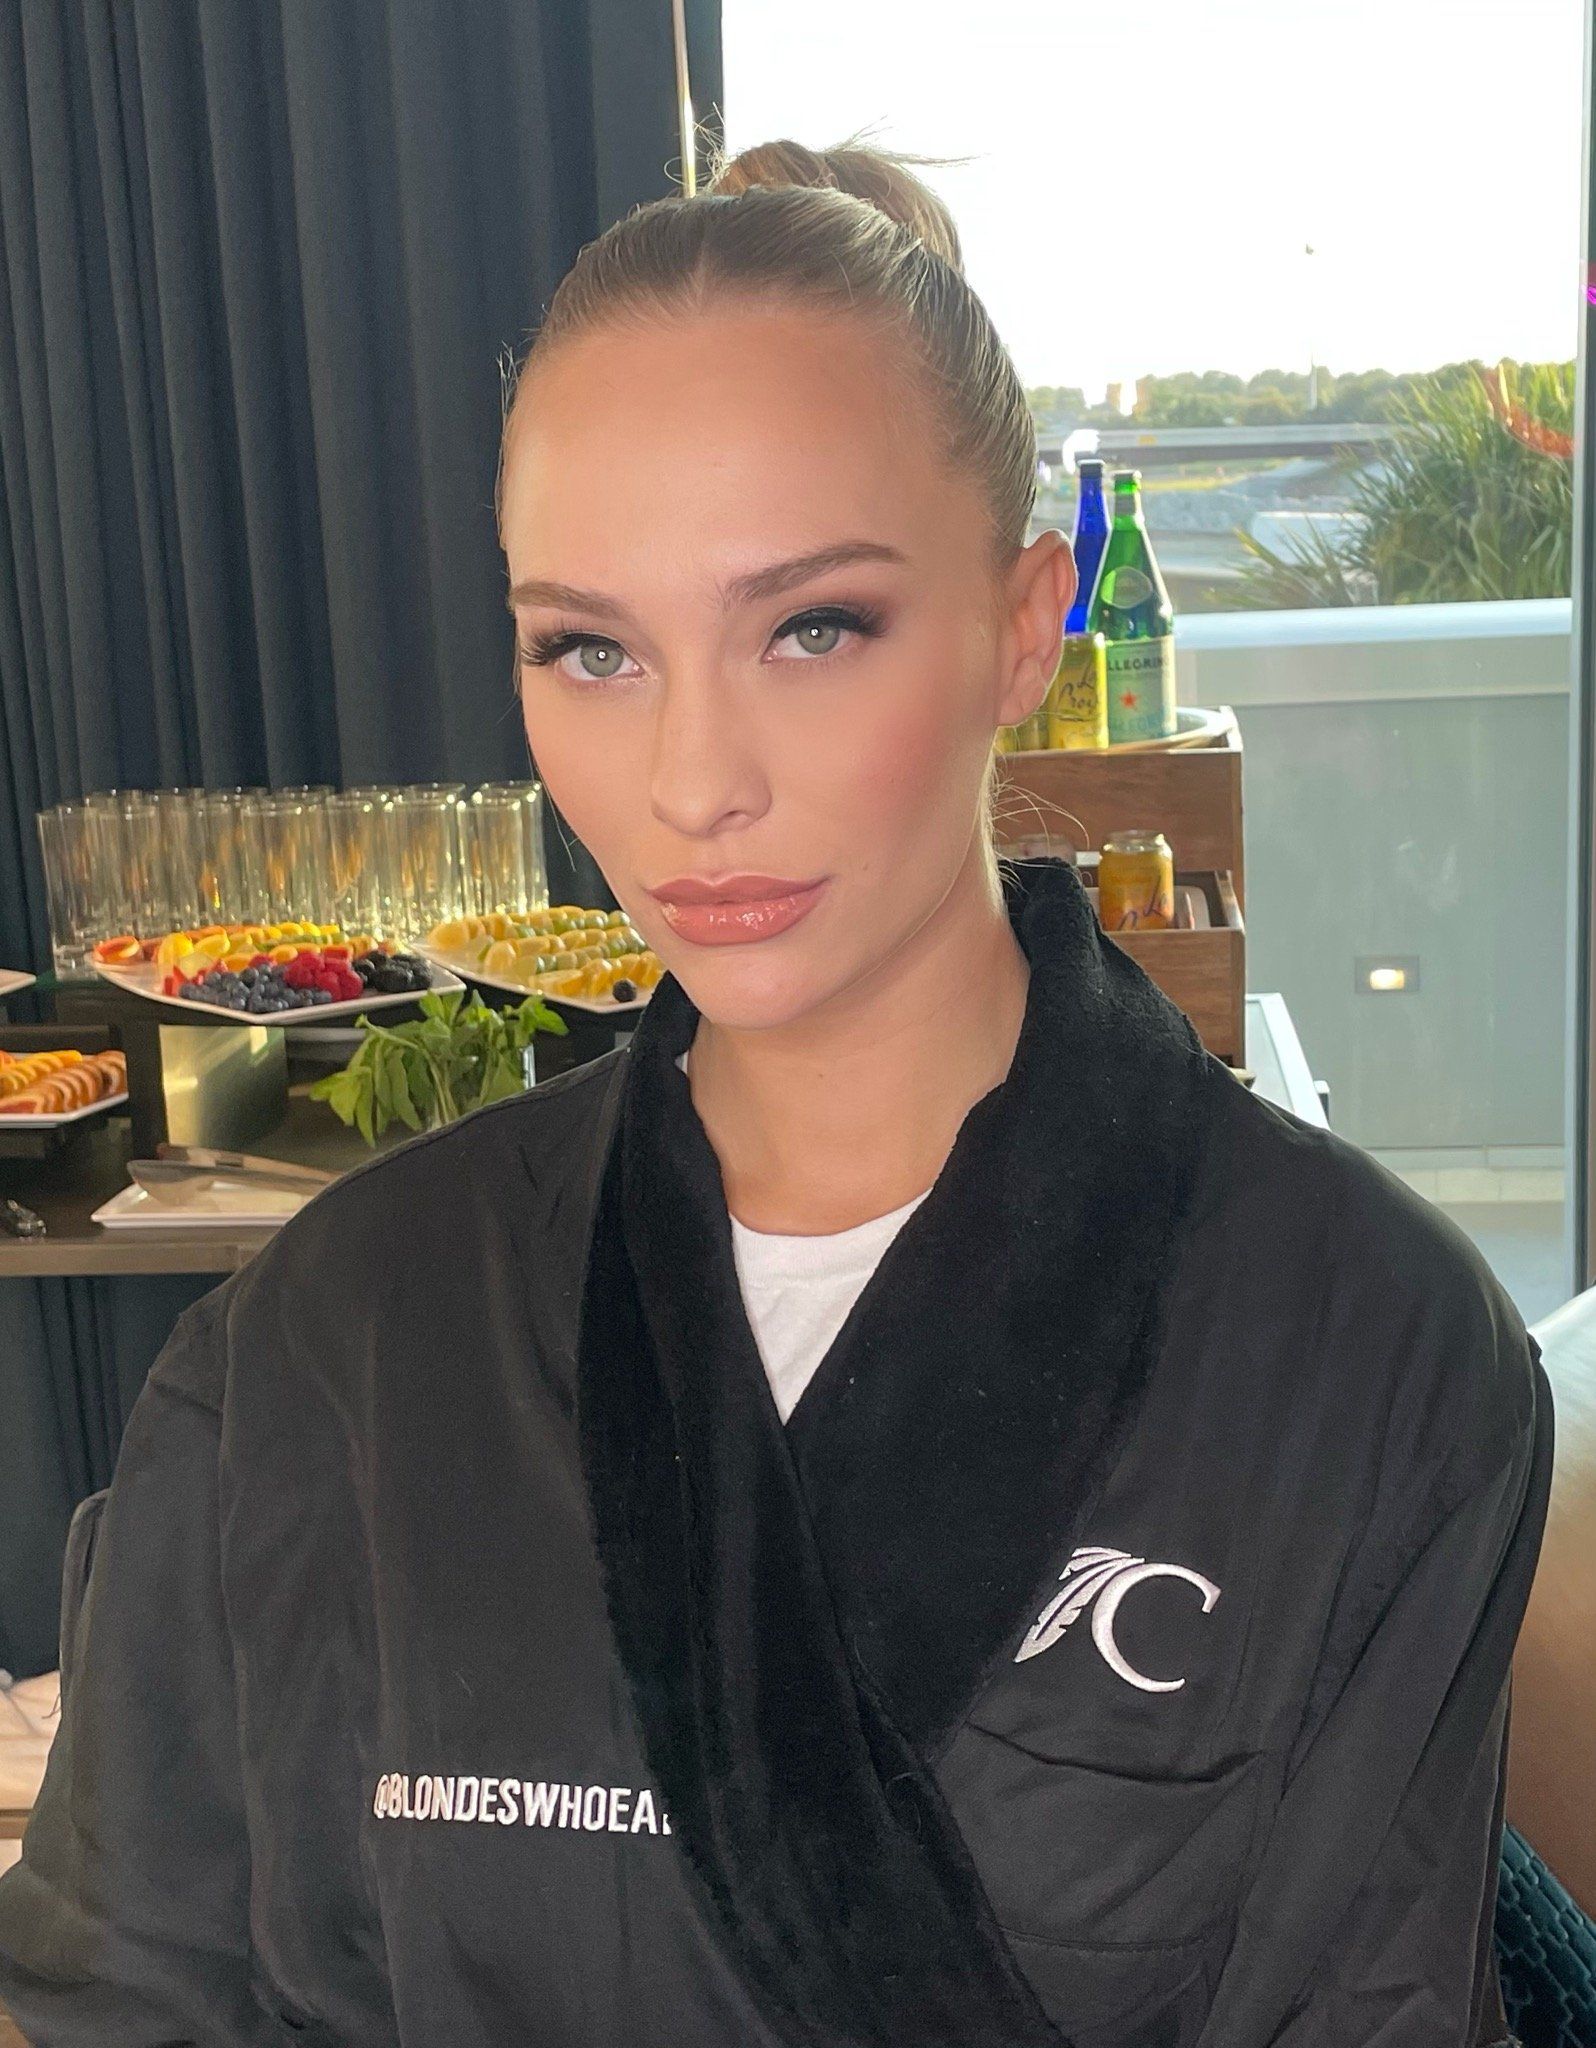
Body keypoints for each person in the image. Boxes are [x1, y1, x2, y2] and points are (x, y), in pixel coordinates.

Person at [0, 136, 1555, 2048]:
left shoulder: (1369, 1360)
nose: (691, 782)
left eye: (813, 627)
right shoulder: (323, 1347)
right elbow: (120, 2001)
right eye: (590, 650)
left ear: (1021, 622)